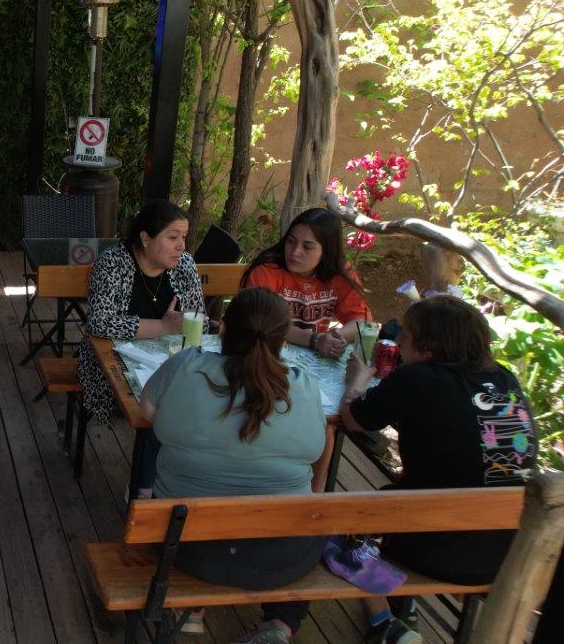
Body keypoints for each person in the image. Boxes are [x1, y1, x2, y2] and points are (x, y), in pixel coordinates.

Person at [340, 295, 538, 644]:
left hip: (434, 544)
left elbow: (354, 419)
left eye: (407, 333)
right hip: (506, 552)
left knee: (343, 526)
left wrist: (356, 382)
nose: (399, 339)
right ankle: (401, 608)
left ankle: (386, 622)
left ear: (428, 345)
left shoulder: (416, 378)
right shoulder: (505, 380)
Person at [139, 287, 327, 643]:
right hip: (282, 558)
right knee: (311, 526)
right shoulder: (302, 386)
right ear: (282, 340)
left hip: (187, 547)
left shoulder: (187, 365)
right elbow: (316, 449)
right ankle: (280, 625)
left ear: (223, 328)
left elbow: (147, 411)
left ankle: (193, 607)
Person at [76, 200, 205, 421]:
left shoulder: (184, 265)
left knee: (187, 402)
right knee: (161, 409)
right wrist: (164, 326)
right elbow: (99, 322)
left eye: (183, 237)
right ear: (145, 238)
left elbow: (197, 317)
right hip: (113, 364)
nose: (181, 246)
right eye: (173, 237)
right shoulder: (113, 263)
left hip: (169, 361)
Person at [241, 207, 372, 358]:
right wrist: (315, 340)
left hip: (313, 359)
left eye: (307, 247)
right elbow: (262, 323)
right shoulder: (267, 270)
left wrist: (336, 338)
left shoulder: (340, 273)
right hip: (267, 355)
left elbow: (362, 321)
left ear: (327, 251)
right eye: (291, 241)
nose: (295, 252)